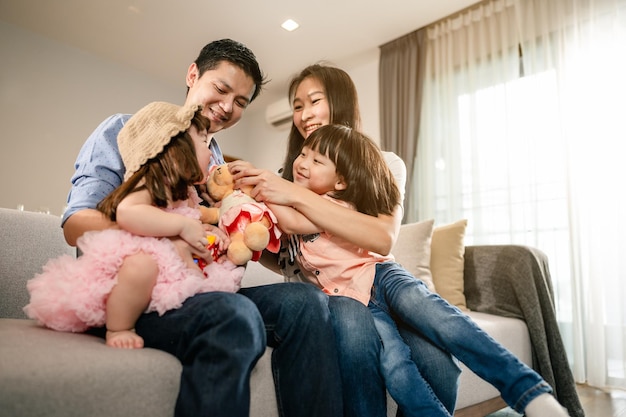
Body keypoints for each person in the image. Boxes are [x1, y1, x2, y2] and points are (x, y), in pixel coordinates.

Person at [60, 40, 343, 417]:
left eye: (241, 102)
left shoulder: (218, 164)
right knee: (234, 316)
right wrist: (173, 229)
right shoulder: (127, 130)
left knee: (307, 303)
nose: (227, 107)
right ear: (193, 74)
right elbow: (76, 225)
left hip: (199, 292)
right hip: (131, 295)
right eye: (221, 89)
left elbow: (222, 240)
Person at [263, 123, 571, 417]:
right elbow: (276, 238)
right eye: (303, 154)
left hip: (382, 277)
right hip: (355, 299)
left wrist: (263, 186)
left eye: (317, 160)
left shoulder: (336, 202)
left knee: (445, 320)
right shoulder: (299, 203)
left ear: (340, 181)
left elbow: (292, 222)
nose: (303, 162)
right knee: (396, 366)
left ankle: (529, 391)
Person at [231, 63, 461, 416]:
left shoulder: (384, 163)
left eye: (315, 101)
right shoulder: (288, 176)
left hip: (380, 286)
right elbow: (286, 259)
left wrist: (290, 194)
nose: (305, 114)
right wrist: (252, 236)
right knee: (355, 334)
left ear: (340, 102)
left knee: (440, 367)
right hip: (330, 295)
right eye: (296, 105)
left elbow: (382, 237)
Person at [25, 102, 244, 349]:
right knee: (141, 267)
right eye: (204, 142)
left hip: (169, 272)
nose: (211, 152)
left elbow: (192, 220)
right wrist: (181, 226)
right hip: (143, 254)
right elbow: (128, 213)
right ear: (176, 150)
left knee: (202, 276)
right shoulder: (152, 183)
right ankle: (119, 327)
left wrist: (208, 230)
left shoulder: (187, 193)